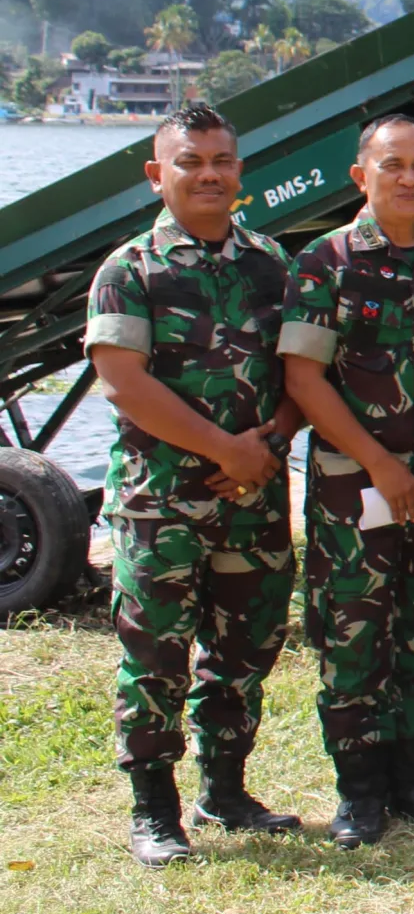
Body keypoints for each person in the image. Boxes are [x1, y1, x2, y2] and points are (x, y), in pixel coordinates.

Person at [86, 104, 304, 867]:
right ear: (158, 175)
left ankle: (226, 789)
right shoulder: (129, 270)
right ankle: (154, 811)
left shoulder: (273, 263)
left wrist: (270, 442)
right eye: (190, 161)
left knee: (248, 647)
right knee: (156, 656)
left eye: (221, 159)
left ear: (241, 171)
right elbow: (124, 384)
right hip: (160, 505)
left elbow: (305, 371)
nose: (208, 173)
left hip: (254, 502)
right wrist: (225, 449)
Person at [282, 113, 414, 848]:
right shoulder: (325, 262)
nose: (409, 177)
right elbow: (305, 379)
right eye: (393, 165)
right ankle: (360, 790)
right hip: (355, 488)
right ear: (361, 176)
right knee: (354, 635)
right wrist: (378, 461)